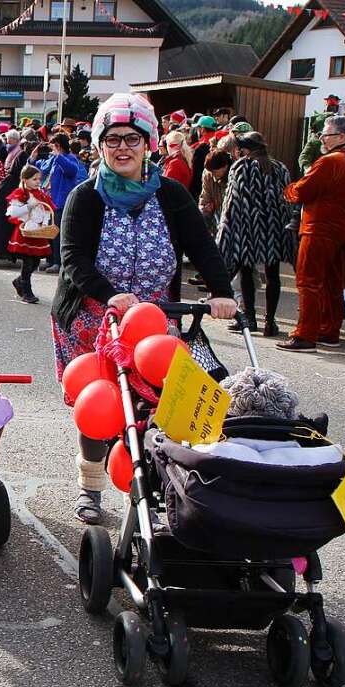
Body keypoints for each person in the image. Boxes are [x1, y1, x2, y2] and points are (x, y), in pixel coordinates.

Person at [53, 93, 236, 523]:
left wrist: (222, 291)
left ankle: (166, 484)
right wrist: (108, 292)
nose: (122, 148)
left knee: (172, 400)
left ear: (149, 143)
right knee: (101, 402)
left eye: (132, 139)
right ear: (99, 146)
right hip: (93, 315)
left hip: (157, 318)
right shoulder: (86, 197)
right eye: (112, 139)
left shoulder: (171, 195)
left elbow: (202, 247)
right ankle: (91, 486)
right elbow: (73, 258)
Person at [278, 115, 345, 352]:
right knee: (331, 282)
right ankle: (329, 329)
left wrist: (289, 190)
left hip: (320, 227)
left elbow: (303, 190)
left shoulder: (330, 161)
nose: (321, 139)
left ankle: (305, 334)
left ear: (340, 137)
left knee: (308, 281)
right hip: (344, 228)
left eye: (325, 135)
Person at [215, 132, 294, 337]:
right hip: (275, 229)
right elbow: (287, 200)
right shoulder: (280, 167)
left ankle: (250, 318)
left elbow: (231, 202)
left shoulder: (241, 167)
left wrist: (225, 232)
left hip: (248, 230)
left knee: (247, 272)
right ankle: (270, 321)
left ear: (244, 149)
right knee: (273, 274)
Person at [6, 164, 55, 304]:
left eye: (39, 179)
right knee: (28, 262)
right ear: (25, 179)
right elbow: (13, 212)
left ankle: (19, 281)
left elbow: (47, 210)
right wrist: (28, 206)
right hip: (25, 232)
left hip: (38, 232)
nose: (38, 182)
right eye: (34, 179)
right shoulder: (20, 193)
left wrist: (45, 223)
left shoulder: (40, 194)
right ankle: (27, 291)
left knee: (36, 261)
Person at [34, 132, 81, 273]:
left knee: (57, 233)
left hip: (61, 201)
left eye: (53, 145)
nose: (51, 148)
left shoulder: (70, 158)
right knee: (48, 232)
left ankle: (58, 262)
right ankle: (49, 260)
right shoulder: (53, 159)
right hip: (49, 200)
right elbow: (42, 170)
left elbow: (72, 171)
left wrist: (59, 156)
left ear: (59, 145)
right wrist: (33, 158)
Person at [188, 116, 218, 200]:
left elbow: (195, 172)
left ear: (203, 129)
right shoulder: (222, 143)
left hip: (201, 189)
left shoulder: (198, 147)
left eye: (198, 128)